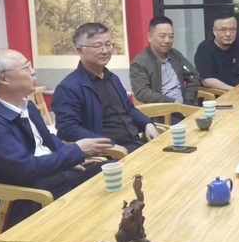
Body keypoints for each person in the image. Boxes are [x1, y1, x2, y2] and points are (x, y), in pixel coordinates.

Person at [0, 49, 113, 241]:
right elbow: (26, 168)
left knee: (111, 172)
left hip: (48, 176)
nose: (33, 71)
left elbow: (47, 140)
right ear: (3, 79)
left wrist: (70, 157)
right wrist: (75, 152)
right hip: (26, 196)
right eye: (26, 67)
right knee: (102, 194)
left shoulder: (25, 105)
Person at [53, 23, 160, 152]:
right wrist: (110, 146)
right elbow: (68, 130)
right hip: (107, 154)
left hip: (135, 143)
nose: (105, 51)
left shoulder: (112, 78)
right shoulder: (68, 88)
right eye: (98, 46)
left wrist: (147, 123)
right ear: (79, 50)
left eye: (108, 45)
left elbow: (129, 109)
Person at [130, 16, 200, 105]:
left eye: (171, 36)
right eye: (162, 36)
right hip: (162, 109)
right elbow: (142, 93)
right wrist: (171, 102)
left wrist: (189, 98)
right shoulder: (139, 63)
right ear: (150, 37)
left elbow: (193, 76)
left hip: (184, 105)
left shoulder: (175, 55)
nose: (167, 41)